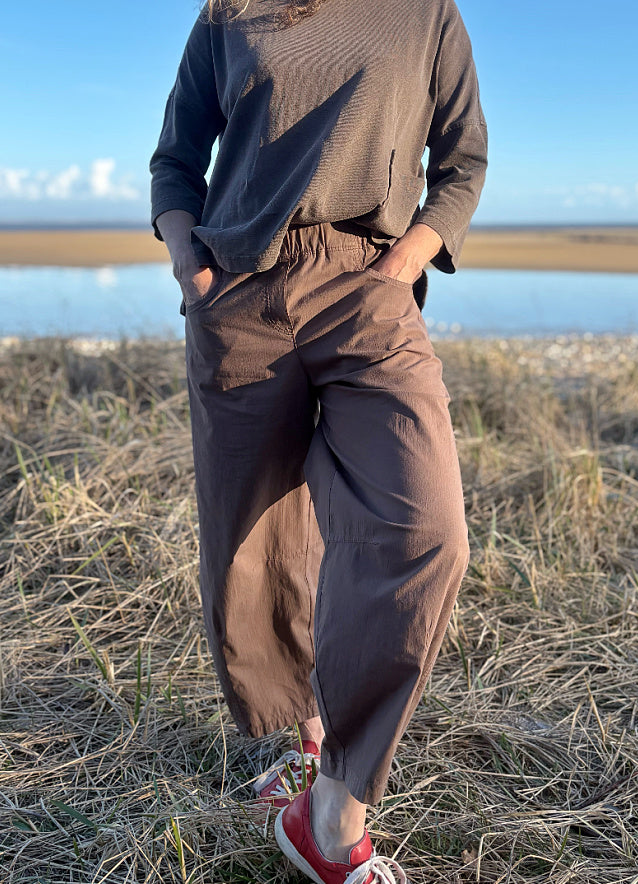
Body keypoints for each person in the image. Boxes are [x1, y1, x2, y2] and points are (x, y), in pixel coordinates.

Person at [150, 0, 487, 879]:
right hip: (241, 292)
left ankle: (334, 802)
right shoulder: (230, 10)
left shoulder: (426, 12)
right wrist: (191, 261)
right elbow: (176, 155)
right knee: (252, 535)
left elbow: (464, 159)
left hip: (366, 284)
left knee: (426, 529)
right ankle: (303, 753)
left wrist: (403, 264)